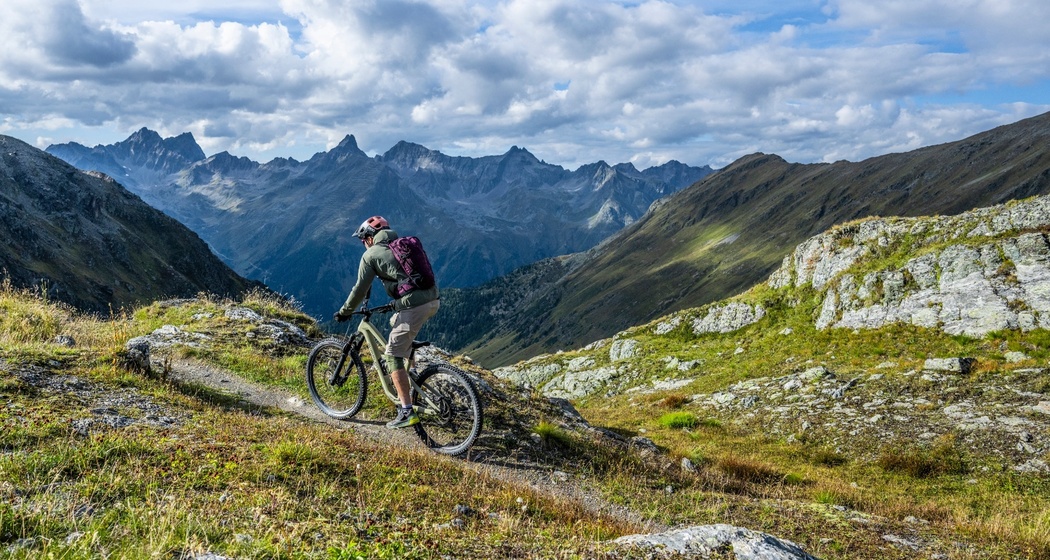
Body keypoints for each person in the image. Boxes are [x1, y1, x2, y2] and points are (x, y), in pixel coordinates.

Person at [333, 215, 440, 428]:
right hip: (433, 300)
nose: (363, 244)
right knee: (395, 323)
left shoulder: (371, 254)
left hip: (413, 306)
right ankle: (411, 370)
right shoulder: (400, 245)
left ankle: (406, 411)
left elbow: (359, 288)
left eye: (363, 240)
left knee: (392, 355)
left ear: (370, 238)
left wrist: (345, 311)